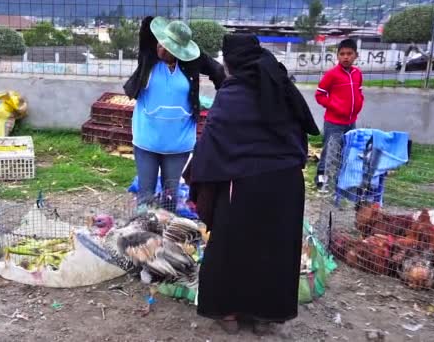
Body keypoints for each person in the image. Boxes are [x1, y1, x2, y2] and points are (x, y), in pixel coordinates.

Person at [184, 34, 320, 335]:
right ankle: (264, 316)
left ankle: (229, 313)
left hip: (244, 187)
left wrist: (197, 180)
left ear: (231, 62)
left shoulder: (233, 94)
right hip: (286, 184)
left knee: (232, 247)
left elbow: (211, 146)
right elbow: (302, 133)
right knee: (274, 248)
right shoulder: (280, 86)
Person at [124, 16, 225, 209]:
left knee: (170, 195)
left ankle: (168, 232)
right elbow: (146, 34)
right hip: (147, 137)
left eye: (168, 48)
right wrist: (151, 22)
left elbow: (218, 71)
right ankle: (142, 231)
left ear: (180, 51)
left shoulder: (192, 61)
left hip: (178, 141)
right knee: (146, 194)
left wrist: (224, 98)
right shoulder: (149, 58)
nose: (161, 49)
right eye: (161, 44)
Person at [315, 38, 364, 189]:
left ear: (356, 55)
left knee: (346, 151)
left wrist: (359, 103)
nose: (345, 57)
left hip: (351, 122)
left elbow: (359, 91)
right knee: (329, 151)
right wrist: (335, 106)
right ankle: (321, 178)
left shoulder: (357, 74)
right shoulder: (332, 74)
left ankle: (339, 178)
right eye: (342, 54)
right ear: (337, 56)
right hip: (333, 122)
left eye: (349, 53)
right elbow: (320, 95)